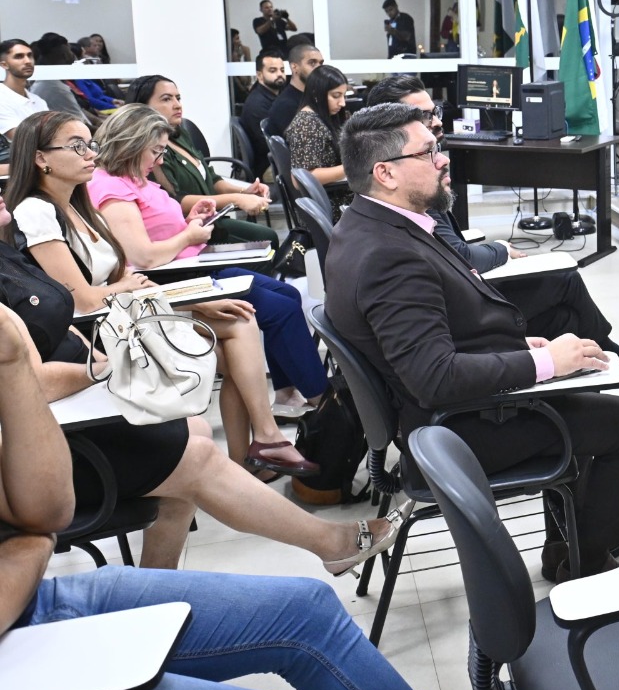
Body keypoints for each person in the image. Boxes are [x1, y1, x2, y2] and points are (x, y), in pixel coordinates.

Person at [0, 306, 428, 690]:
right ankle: (279, 464)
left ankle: (269, 449)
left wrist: (14, 359)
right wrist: (31, 544)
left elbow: (45, 520)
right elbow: (37, 532)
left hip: (37, 597)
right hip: (17, 641)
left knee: (310, 608)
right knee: (193, 448)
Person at [326, 103, 619, 582]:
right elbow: (435, 378)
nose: (442, 158)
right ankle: (586, 565)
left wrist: (520, 348)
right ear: (386, 173)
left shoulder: (369, 225)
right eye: (428, 151)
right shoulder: (388, 256)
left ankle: (569, 545)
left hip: (440, 415)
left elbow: (431, 336)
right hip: (455, 430)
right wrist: (544, 363)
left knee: (586, 389)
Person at [0, 189, 405, 574]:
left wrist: (112, 354)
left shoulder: (7, 254)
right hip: (46, 451)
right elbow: (36, 378)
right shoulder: (43, 219)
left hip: (79, 390)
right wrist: (106, 370)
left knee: (195, 427)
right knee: (193, 455)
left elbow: (69, 320)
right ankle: (331, 543)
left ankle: (159, 582)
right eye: (77, 148)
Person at [11, 109, 327, 462]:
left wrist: (194, 303)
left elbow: (126, 279)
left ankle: (256, 451)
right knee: (240, 331)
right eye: (77, 146)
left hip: (124, 311)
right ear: (41, 158)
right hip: (99, 331)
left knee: (239, 322)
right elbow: (83, 301)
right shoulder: (36, 211)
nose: (91, 155)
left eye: (91, 145)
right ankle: (266, 441)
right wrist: (148, 292)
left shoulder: (80, 205)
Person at [364, 75, 619, 376]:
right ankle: (614, 356)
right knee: (565, 280)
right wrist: (500, 249)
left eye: (435, 112)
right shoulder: (411, 186)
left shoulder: (405, 184)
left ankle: (600, 365)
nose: (436, 122)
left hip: (461, 300)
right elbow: (459, 256)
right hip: (466, 312)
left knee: (565, 319)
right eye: (423, 116)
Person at [125, 74, 277, 246]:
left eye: (178, 98)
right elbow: (175, 200)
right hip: (186, 230)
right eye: (166, 99)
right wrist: (237, 199)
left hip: (210, 220)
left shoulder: (179, 134)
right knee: (268, 238)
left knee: (267, 237)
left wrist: (245, 192)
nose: (177, 105)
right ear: (143, 107)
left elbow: (211, 178)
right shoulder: (149, 151)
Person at [285, 64, 353, 220]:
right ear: (317, 94)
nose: (342, 103)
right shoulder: (307, 124)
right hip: (331, 205)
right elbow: (302, 178)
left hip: (335, 196)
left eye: (344, 96)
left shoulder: (323, 117)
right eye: (336, 96)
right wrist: (352, 167)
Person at [26, 34, 96, 128]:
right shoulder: (54, 88)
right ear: (64, 56)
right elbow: (80, 125)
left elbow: (78, 112)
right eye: (69, 52)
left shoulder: (50, 82)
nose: (72, 57)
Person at [239, 49, 286, 179]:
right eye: (273, 70)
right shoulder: (257, 104)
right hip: (268, 166)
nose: (279, 74)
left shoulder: (276, 96)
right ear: (259, 75)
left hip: (275, 161)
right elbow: (271, 145)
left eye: (282, 70)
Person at [264, 42, 323, 139]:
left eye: (321, 63)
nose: (319, 68)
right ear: (294, 67)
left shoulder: (306, 96)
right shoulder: (287, 105)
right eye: (312, 63)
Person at [0, 39, 48, 138]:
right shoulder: (2, 98)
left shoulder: (38, 101)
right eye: (19, 56)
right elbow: (20, 138)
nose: (28, 61)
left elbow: (52, 133)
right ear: (4, 64)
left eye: (30, 55)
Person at [230, 28, 254, 99]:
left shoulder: (245, 50)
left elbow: (249, 68)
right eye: (236, 39)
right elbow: (234, 75)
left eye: (239, 38)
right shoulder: (229, 54)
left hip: (246, 83)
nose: (239, 41)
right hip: (237, 85)